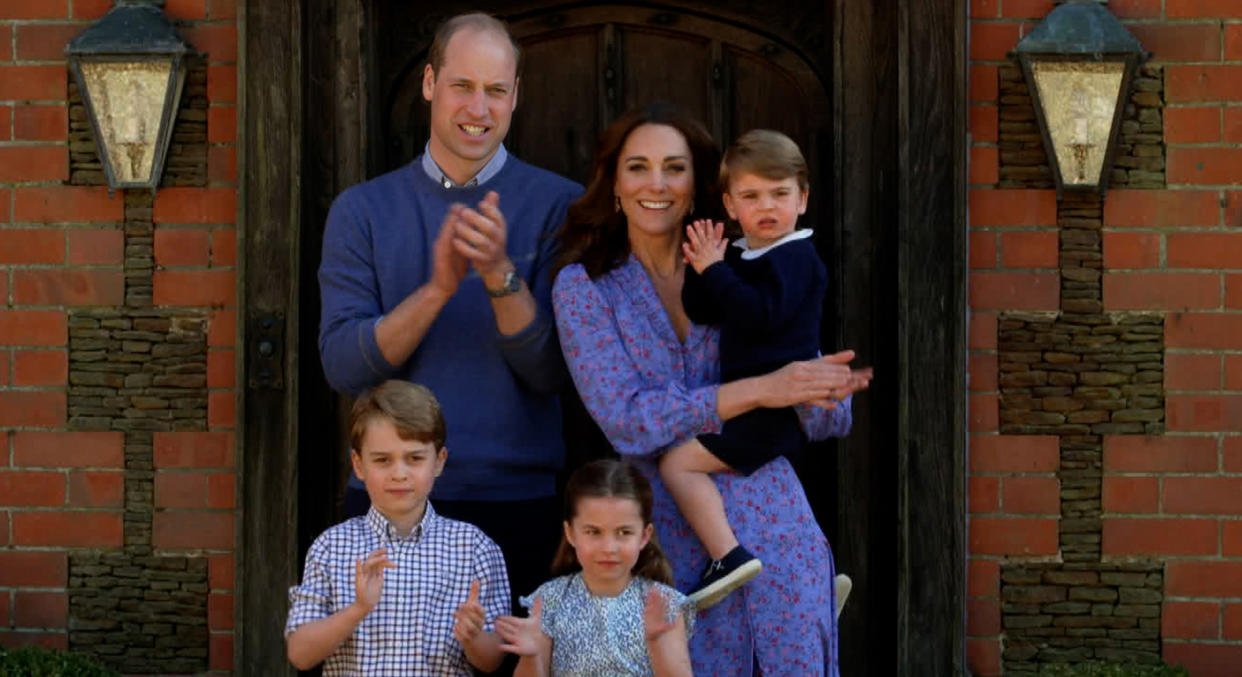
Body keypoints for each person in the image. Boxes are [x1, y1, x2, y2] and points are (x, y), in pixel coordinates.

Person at [551, 103, 871, 676]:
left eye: (674, 168)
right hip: (663, 540)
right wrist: (761, 390)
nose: (656, 184)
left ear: (697, 186)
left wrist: (821, 389)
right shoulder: (585, 287)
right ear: (615, 185)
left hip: (776, 525)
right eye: (638, 167)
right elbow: (628, 420)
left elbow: (824, 412)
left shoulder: (743, 264)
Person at [317, 11, 582, 621]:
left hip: (517, 503)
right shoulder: (362, 210)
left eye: (496, 91)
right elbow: (343, 365)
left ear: (516, 95)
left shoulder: (560, 206)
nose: (479, 109)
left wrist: (499, 278)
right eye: (463, 86)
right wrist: (437, 288)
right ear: (430, 82)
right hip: (388, 506)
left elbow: (551, 373)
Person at [660, 129, 860, 608]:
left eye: (779, 194)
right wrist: (702, 265)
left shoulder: (797, 258)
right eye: (751, 196)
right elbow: (705, 309)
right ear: (730, 206)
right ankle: (810, 583)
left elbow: (759, 313)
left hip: (775, 410)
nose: (766, 206)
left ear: (803, 199)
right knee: (769, 502)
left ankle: (726, 556)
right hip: (754, 405)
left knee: (678, 463)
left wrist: (716, 270)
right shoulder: (743, 255)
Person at [285, 380, 510, 675]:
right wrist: (358, 609)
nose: (399, 474)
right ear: (359, 464)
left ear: (439, 461)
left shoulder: (474, 548)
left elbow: (493, 661)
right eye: (382, 460)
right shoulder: (331, 547)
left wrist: (473, 637)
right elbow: (300, 654)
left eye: (414, 458)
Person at [495, 459, 693, 677]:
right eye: (593, 532)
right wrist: (531, 656)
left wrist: (657, 644)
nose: (609, 548)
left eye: (624, 532)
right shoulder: (549, 600)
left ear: (644, 536)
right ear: (570, 533)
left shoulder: (665, 603)